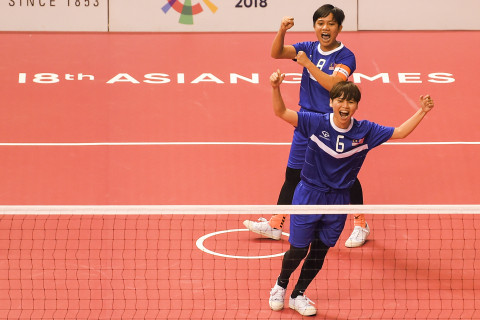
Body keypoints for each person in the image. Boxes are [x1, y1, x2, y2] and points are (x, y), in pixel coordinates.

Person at [266, 70, 434, 316]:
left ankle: (298, 294)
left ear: (356, 106)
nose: (345, 105)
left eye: (351, 101)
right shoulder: (315, 122)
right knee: (299, 249)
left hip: (338, 200)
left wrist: (423, 111)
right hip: (308, 196)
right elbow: (281, 112)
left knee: (320, 251)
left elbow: (400, 132)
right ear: (332, 102)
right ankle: (280, 286)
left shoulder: (365, 131)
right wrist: (275, 88)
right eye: (340, 100)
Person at [243, 4, 369, 248]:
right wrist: (281, 30)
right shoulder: (307, 48)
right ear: (315, 27)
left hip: (333, 124)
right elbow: (276, 52)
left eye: (331, 23)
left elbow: (334, 85)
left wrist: (307, 64)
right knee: (293, 173)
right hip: (306, 121)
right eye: (320, 23)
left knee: (346, 177)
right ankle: (276, 224)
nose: (325, 28)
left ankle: (361, 224)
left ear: (339, 28)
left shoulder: (345, 56)